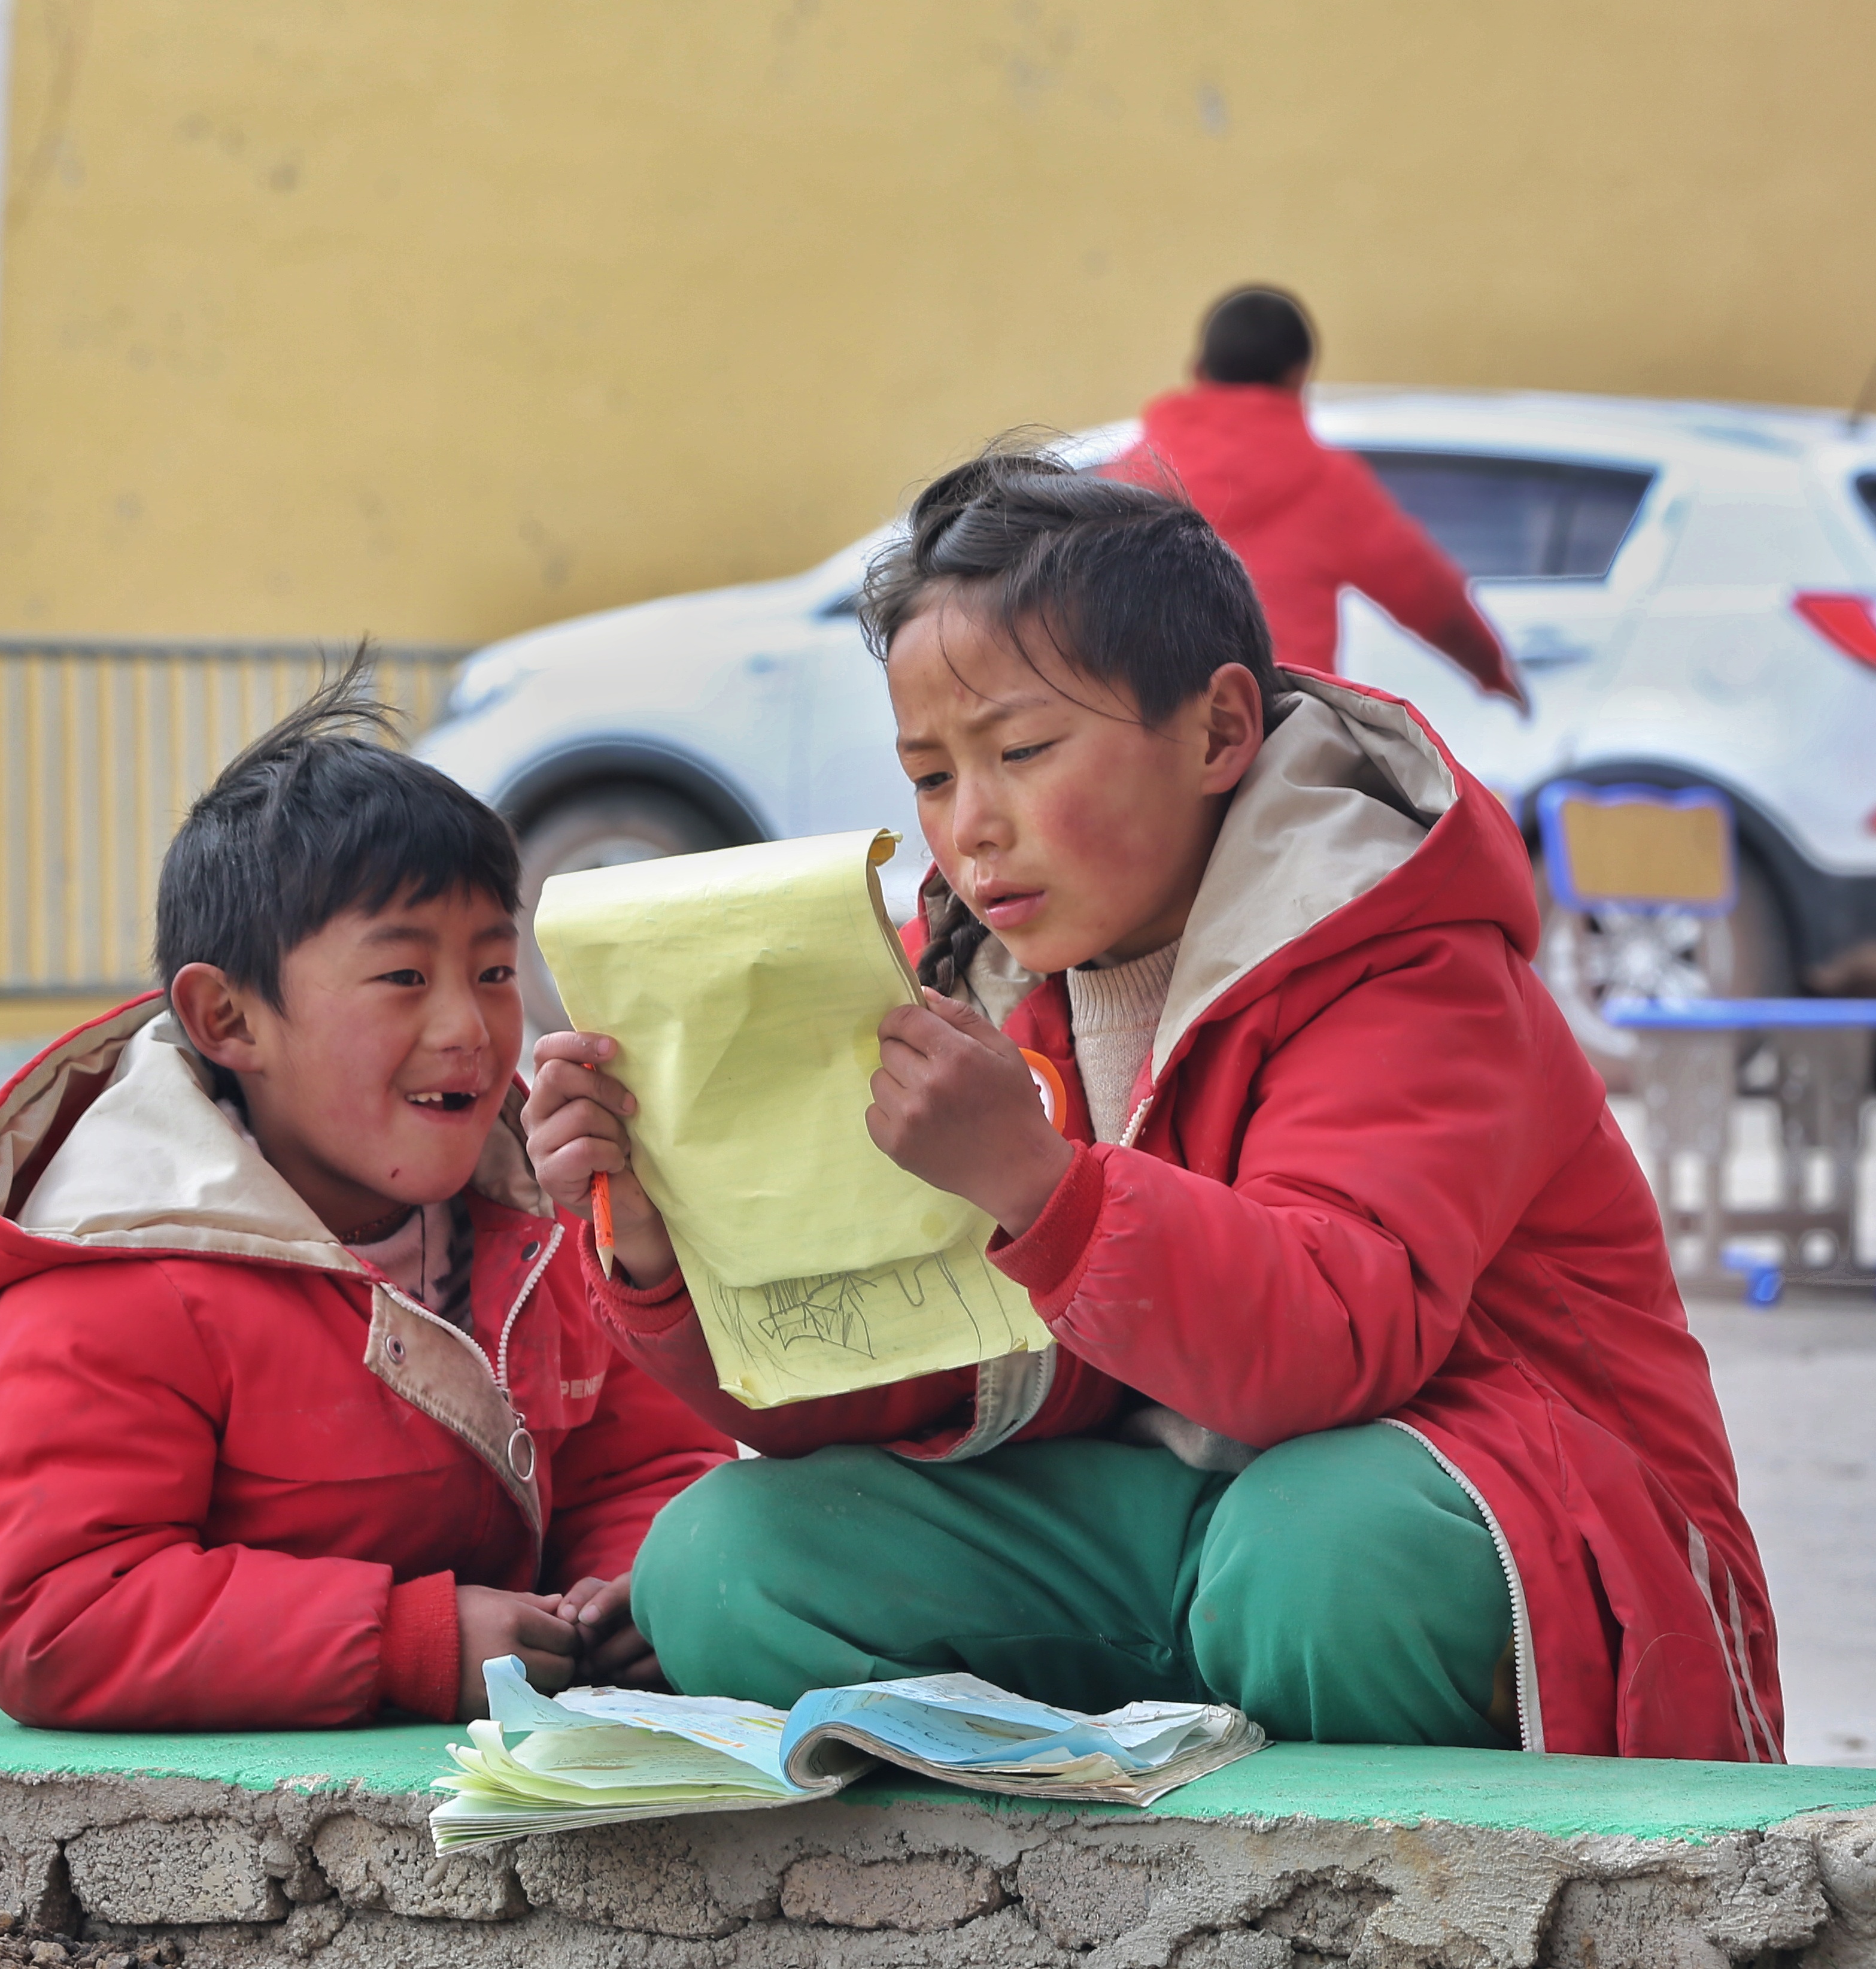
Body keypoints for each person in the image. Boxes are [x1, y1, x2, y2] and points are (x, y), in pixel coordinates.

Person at [526, 450, 1778, 1759]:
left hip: (1470, 1518)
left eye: (1020, 749)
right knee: (731, 1560)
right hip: (1164, 1538)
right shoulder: (997, 988)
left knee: (1320, 1554)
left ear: (1219, 732)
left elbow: (1328, 1343)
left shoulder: (1407, 963)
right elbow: (916, 1373)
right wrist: (656, 1241)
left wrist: (1038, 1189)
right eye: (933, 776)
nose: (972, 827)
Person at [0, 669, 730, 1730]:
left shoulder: (543, 1222)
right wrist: (415, 1643)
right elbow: (60, 1613)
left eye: (496, 971)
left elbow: (646, 1458)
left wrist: (635, 1584)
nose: (469, 1025)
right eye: (404, 976)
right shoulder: (122, 1267)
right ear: (227, 1017)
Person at [1115, 284, 1527, 713]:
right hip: (1284, 726)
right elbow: (1424, 590)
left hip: (1162, 725)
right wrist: (1491, 667)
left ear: (1198, 369)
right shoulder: (1327, 481)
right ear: (1299, 373)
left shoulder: (1131, 475)